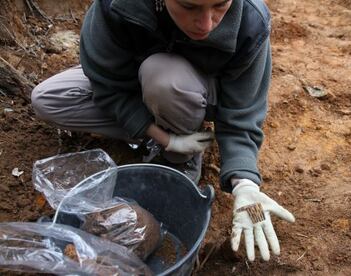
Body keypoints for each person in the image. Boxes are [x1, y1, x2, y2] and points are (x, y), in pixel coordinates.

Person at [31, 0, 295, 261]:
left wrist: (245, 183)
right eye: (189, 7)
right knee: (49, 99)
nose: (206, 23)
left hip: (189, 88)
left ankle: (183, 157)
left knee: (164, 79)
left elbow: (242, 115)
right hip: (138, 80)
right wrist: (166, 138)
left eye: (220, 5)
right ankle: (160, 132)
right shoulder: (117, 6)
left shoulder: (251, 19)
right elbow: (106, 86)